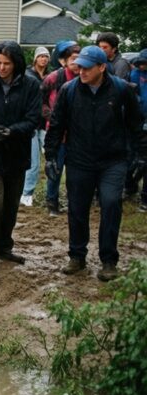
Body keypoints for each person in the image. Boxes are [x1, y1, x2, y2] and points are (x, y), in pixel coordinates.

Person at [45, 46, 146, 282]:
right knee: (77, 208)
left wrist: (142, 155)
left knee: (111, 203)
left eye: (87, 67)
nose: (82, 71)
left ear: (102, 67)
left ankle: (109, 260)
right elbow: (57, 124)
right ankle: (77, 256)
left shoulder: (121, 90)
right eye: (79, 66)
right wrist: (50, 155)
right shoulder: (69, 91)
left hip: (113, 160)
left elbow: (135, 124)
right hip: (79, 159)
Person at [0, 41, 42, 272]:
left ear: (16, 64)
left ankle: (3, 247)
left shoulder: (31, 85)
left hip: (17, 153)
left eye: (7, 64)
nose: (2, 68)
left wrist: (12, 131)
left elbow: (33, 119)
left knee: (11, 205)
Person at [41, 41, 81, 215]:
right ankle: (52, 202)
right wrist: (52, 117)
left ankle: (75, 202)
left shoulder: (85, 78)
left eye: (80, 59)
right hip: (57, 134)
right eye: (73, 59)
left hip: (78, 136)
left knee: (75, 173)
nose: (77, 62)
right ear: (64, 61)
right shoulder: (53, 78)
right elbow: (40, 102)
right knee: (54, 170)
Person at [20, 46, 51, 207]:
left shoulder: (50, 76)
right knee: (33, 161)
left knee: (51, 157)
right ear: (35, 59)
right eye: (41, 56)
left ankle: (51, 194)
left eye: (46, 56)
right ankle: (27, 193)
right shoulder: (27, 75)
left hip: (45, 124)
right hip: (31, 124)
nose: (44, 59)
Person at [128, 50, 147, 212]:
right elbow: (134, 95)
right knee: (136, 159)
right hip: (138, 123)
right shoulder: (135, 74)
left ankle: (145, 198)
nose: (142, 66)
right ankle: (131, 185)